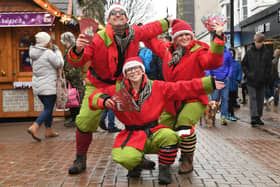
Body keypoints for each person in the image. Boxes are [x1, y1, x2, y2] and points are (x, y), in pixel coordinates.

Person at [66, 3, 171, 174]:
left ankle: (135, 159)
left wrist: (168, 21)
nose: (118, 14)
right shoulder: (97, 37)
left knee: (138, 119)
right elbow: (78, 60)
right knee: (85, 120)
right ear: (108, 19)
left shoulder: (135, 33)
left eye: (121, 12)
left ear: (126, 18)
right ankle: (80, 158)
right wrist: (77, 49)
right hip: (98, 83)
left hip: (124, 83)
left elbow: (151, 29)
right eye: (113, 13)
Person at [88, 57, 224, 184]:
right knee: (122, 156)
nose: (133, 71)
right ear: (125, 74)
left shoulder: (157, 87)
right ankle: (137, 163)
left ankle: (164, 169)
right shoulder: (117, 90)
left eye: (137, 68)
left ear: (142, 70)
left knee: (170, 136)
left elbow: (181, 87)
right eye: (129, 69)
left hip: (154, 131)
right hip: (131, 134)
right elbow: (95, 94)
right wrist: (103, 100)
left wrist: (208, 83)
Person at [143, 19, 225, 174]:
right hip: (172, 98)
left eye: (188, 34)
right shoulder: (167, 50)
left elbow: (213, 61)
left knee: (184, 125)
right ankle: (160, 156)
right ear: (174, 38)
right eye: (181, 35)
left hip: (194, 97)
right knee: (163, 130)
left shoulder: (198, 51)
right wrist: (164, 23)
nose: (185, 37)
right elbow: (146, 38)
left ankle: (188, 159)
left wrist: (218, 37)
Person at [27, 32, 64, 142]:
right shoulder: (48, 53)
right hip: (48, 86)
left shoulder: (32, 54)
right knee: (48, 109)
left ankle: (48, 130)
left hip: (38, 86)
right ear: (46, 42)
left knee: (48, 108)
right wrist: (57, 51)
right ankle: (35, 127)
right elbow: (59, 63)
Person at [241, 33, 272, 127]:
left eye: (260, 42)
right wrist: (248, 74)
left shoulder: (266, 52)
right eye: (256, 42)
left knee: (260, 99)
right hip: (251, 80)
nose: (258, 44)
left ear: (263, 42)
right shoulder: (249, 51)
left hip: (262, 80)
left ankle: (258, 116)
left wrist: (266, 77)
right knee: (253, 98)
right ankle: (253, 117)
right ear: (254, 41)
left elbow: (269, 67)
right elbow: (243, 64)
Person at [60, 32, 85, 127]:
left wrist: (65, 74)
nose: (61, 41)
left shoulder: (73, 50)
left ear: (66, 40)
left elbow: (72, 66)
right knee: (72, 99)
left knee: (76, 98)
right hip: (71, 79)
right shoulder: (68, 49)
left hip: (75, 79)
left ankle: (77, 119)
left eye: (63, 39)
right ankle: (74, 117)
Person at [207, 48, 233, 125]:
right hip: (215, 80)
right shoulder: (211, 53)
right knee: (214, 100)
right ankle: (212, 116)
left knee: (225, 98)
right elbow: (208, 66)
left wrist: (228, 76)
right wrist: (210, 76)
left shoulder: (228, 53)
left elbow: (230, 66)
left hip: (225, 80)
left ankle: (223, 117)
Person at [228, 48, 242, 121]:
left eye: (232, 53)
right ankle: (231, 114)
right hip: (226, 85)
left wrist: (238, 80)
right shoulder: (225, 63)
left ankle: (229, 113)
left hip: (234, 85)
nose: (231, 55)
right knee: (228, 100)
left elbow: (240, 72)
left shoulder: (237, 63)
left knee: (232, 100)